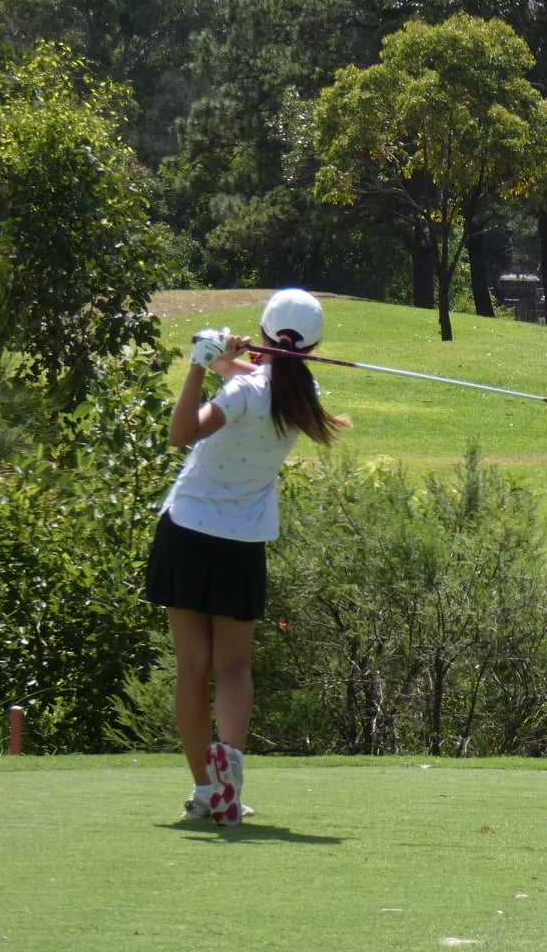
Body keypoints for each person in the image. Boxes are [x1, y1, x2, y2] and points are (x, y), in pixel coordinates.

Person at [142, 288, 349, 826]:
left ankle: (205, 791)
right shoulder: (303, 396)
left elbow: (179, 433)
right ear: (313, 346)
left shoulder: (241, 394)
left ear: (262, 334)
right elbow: (258, 375)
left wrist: (197, 366)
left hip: (186, 532)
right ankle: (228, 771)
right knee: (233, 668)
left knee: (193, 669)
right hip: (241, 544)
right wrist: (225, 359)